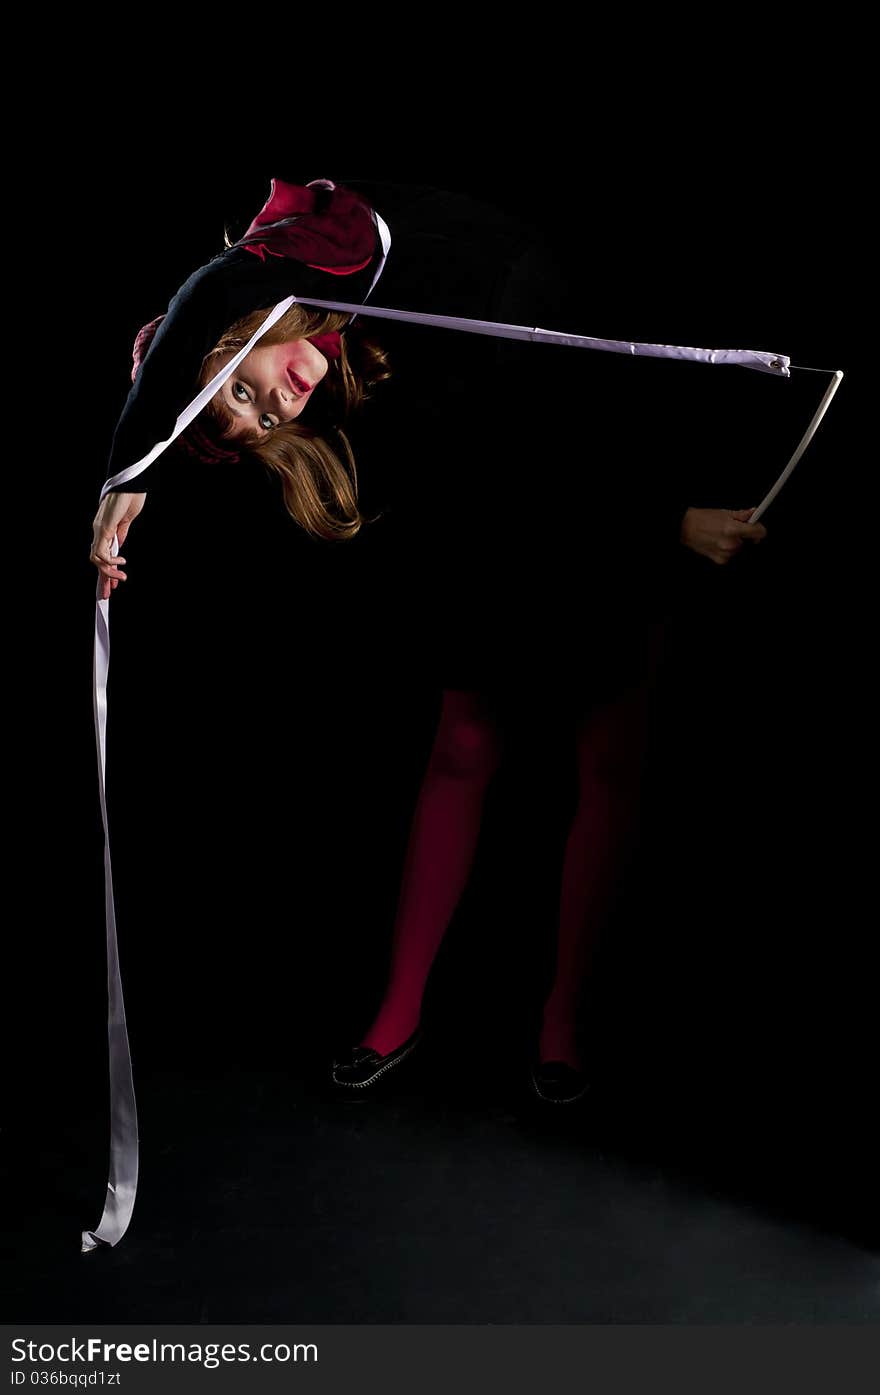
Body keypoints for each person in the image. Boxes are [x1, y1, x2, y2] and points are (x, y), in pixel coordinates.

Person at [323, 179, 769, 1104]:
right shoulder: (442, 258)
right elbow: (499, 432)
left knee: (608, 755)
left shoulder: (597, 274)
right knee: (464, 743)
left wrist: (672, 519)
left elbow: (630, 410)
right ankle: (397, 1008)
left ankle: (565, 1021)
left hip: (620, 519)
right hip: (503, 515)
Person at [90, 176, 392, 597]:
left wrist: (131, 469)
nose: (281, 403)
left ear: (221, 335)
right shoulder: (351, 332)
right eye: (267, 421)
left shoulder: (304, 251)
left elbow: (207, 299)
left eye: (241, 393)